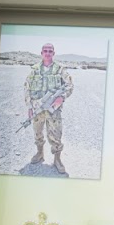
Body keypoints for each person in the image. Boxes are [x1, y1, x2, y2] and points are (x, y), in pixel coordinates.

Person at [23, 43, 74, 175]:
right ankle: (40, 153)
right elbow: (26, 88)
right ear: (41, 53)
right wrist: (29, 107)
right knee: (37, 132)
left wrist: (62, 97)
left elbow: (69, 85)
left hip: (54, 109)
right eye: (45, 51)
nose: (47, 53)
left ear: (53, 53)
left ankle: (57, 159)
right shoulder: (34, 70)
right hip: (37, 109)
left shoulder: (60, 69)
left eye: (50, 51)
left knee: (56, 135)